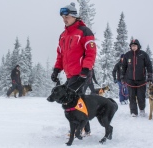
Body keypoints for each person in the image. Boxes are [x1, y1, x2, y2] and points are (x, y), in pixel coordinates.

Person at [51, 2, 96, 135]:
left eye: (67, 16)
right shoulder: (63, 35)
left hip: (82, 73)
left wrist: (86, 70)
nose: (65, 19)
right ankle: (86, 130)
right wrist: (56, 70)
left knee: (74, 101)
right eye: (63, 17)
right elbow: (60, 54)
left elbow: (91, 52)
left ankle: (78, 128)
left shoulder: (84, 31)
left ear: (75, 16)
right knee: (77, 99)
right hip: (70, 74)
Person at [121, 39, 153, 117]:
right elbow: (124, 67)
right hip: (130, 80)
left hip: (141, 80)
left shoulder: (143, 54)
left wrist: (150, 76)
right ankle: (133, 112)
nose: (133, 47)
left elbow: (149, 65)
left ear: (138, 46)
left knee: (140, 96)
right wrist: (122, 77)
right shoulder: (127, 55)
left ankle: (142, 109)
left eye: (135, 46)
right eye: (132, 46)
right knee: (131, 97)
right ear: (130, 47)